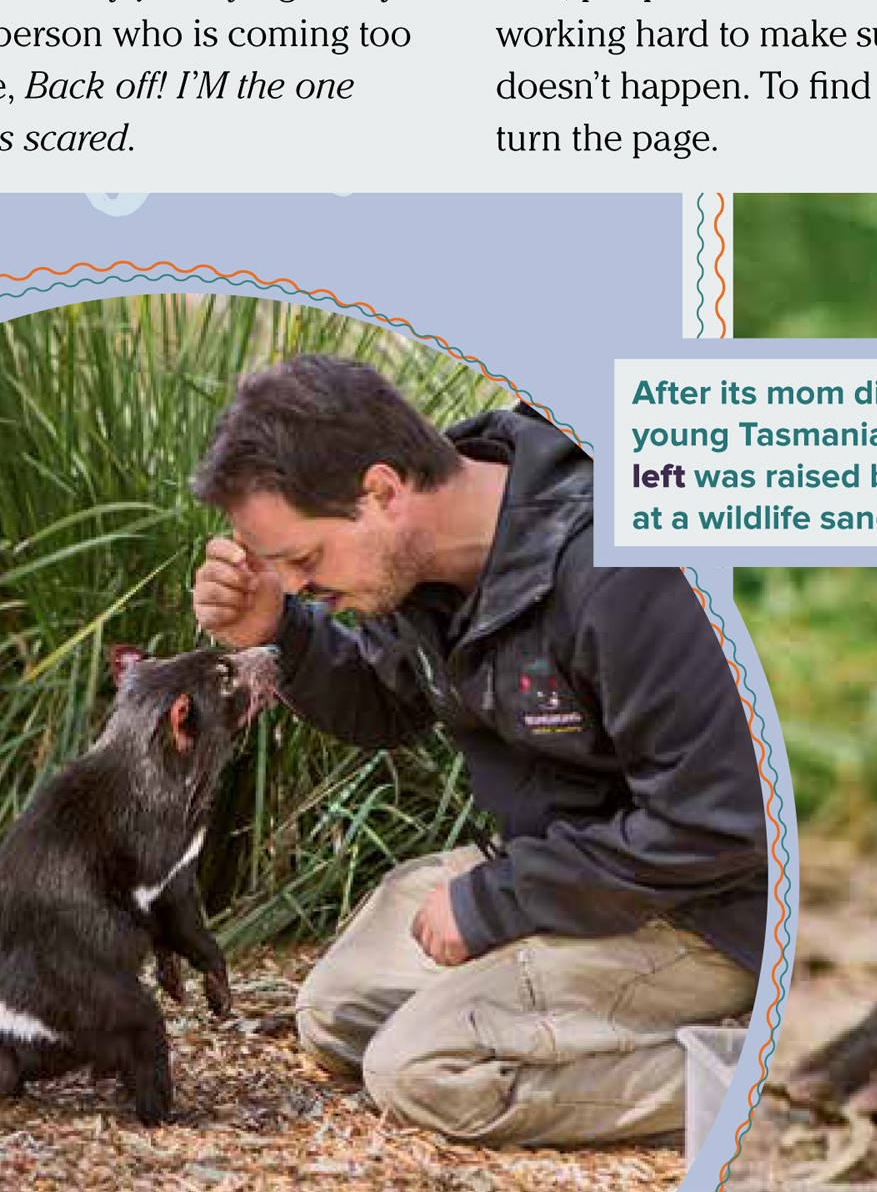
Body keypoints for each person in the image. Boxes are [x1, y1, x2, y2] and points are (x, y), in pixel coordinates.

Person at [189, 354, 766, 1147]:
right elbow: (388, 701)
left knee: (419, 1072)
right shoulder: (422, 560)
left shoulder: (622, 566)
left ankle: (762, 1072)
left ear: (383, 489)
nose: (291, 580)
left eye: (304, 559)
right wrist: (278, 627)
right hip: (569, 867)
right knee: (336, 1015)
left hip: (706, 903)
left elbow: (722, 822)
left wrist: (495, 901)